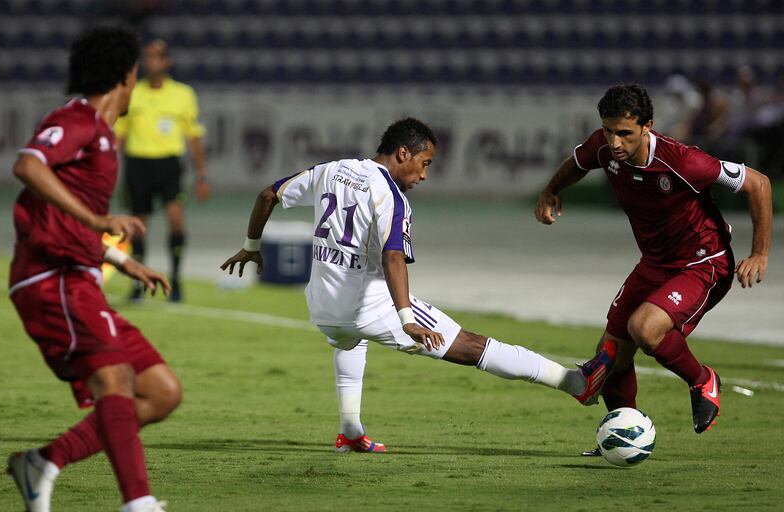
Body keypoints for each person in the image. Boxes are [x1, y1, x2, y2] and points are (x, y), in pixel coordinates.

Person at [221, 118, 616, 452]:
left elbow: (268, 194)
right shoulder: (391, 197)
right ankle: (574, 382)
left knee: (348, 339)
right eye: (425, 163)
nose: (424, 175)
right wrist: (406, 317)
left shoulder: (331, 169)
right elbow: (394, 256)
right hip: (370, 305)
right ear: (403, 154)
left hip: (323, 308)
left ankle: (351, 431)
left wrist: (250, 247)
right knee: (471, 346)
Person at [534, 84, 772, 455]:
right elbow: (576, 163)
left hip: (703, 262)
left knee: (644, 328)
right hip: (655, 263)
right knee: (610, 358)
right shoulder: (604, 145)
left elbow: (759, 184)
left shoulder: (683, 161)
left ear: (648, 126)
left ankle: (703, 380)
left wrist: (759, 253)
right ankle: (623, 436)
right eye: (609, 131)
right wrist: (551, 191)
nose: (615, 142)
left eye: (625, 133)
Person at [6, 26, 181, 512]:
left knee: (162, 391)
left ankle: (43, 462)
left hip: (78, 274)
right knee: (115, 379)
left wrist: (122, 260)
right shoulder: (78, 120)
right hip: (50, 276)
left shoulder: (102, 135)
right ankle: (138, 503)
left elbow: (67, 213)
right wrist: (98, 220)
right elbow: (28, 166)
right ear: (127, 76)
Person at [115, 39, 209, 302]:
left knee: (176, 220)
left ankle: (176, 279)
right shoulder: (133, 92)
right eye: (148, 57)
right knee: (137, 225)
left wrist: (202, 176)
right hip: (138, 165)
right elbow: (119, 136)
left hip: (169, 166)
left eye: (156, 57)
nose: (151, 62)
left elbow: (194, 138)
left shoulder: (183, 94)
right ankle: (137, 282)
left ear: (167, 62)